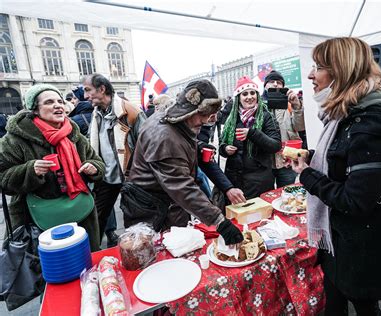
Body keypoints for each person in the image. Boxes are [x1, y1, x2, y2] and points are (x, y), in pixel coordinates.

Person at [290, 37, 381, 315]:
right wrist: (313, 156)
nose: (311, 74)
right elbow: (344, 157)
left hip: (362, 245)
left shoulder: (371, 122)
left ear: (342, 71)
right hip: (341, 241)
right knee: (335, 300)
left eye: (320, 67)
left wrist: (308, 176)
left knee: (363, 306)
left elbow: (356, 201)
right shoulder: (347, 114)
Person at [121, 79, 243, 246]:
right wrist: (220, 221)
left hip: (165, 204)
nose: (206, 120)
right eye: (203, 115)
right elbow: (182, 187)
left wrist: (197, 147)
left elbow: (183, 145)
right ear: (190, 111)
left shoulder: (175, 121)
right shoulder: (164, 137)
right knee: (156, 256)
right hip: (151, 210)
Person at [0, 84, 105, 251]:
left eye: (60, 101)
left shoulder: (73, 134)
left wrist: (94, 168)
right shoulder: (15, 139)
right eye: (49, 102)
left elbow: (97, 161)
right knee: (50, 270)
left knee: (85, 263)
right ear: (34, 110)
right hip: (35, 218)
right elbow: (3, 177)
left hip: (80, 212)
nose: (57, 105)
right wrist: (30, 170)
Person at [83, 74, 146, 246]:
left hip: (130, 178)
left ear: (102, 89)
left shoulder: (131, 112)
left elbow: (147, 147)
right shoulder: (96, 114)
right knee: (96, 220)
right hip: (105, 178)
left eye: (88, 90)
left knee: (135, 222)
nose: (85, 96)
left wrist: (138, 176)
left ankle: (136, 254)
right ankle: (93, 256)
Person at [219, 76, 281, 200]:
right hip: (234, 181)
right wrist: (225, 148)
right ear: (238, 98)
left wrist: (252, 133)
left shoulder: (266, 116)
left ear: (257, 95)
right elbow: (222, 142)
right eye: (245, 94)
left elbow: (275, 145)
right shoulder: (231, 119)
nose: (249, 97)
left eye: (252, 93)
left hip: (259, 181)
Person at [263, 70, 306, 187]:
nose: (276, 84)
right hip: (265, 164)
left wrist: (297, 106)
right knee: (267, 197)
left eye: (279, 82)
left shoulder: (290, 104)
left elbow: (300, 127)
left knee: (286, 194)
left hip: (287, 161)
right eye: (271, 82)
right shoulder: (259, 106)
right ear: (265, 85)